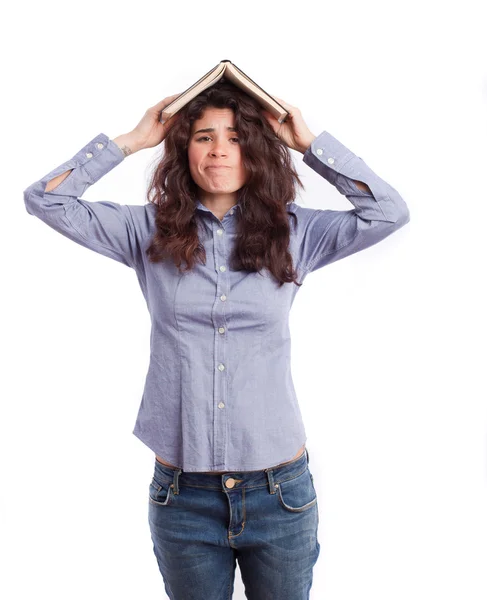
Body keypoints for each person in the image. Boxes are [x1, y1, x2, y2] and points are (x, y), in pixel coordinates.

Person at [23, 80, 410, 599]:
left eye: (235, 136)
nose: (220, 149)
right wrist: (132, 140)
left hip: (280, 493)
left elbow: (389, 211)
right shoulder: (148, 231)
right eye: (204, 137)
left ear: (256, 149)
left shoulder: (297, 232)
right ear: (184, 150)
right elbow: (46, 201)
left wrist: (311, 143)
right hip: (184, 497)